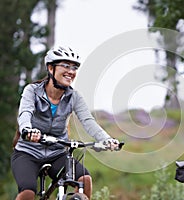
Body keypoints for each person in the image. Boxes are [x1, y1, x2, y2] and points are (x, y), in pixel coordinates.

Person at [11, 45, 120, 200]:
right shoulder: (32, 91)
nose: (71, 71)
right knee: (28, 192)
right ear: (50, 68)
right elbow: (25, 113)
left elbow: (88, 121)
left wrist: (106, 139)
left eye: (74, 67)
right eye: (66, 66)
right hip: (28, 152)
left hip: (57, 153)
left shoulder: (74, 97)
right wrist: (28, 130)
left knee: (85, 180)